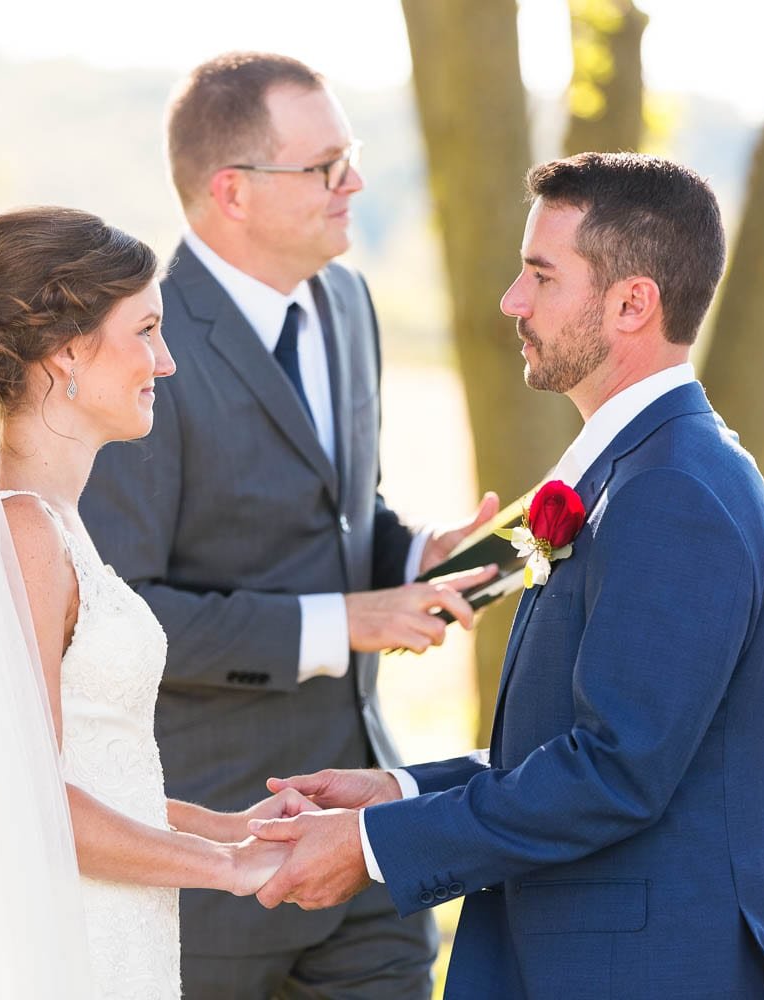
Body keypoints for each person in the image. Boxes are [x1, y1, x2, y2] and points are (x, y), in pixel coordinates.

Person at [250, 153, 764, 999]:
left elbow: (613, 773)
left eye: (540, 275)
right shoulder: (633, 472)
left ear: (632, 301)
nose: (511, 301)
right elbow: (577, 746)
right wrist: (398, 788)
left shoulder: (671, 492)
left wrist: (374, 846)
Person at [79, 53, 496, 997]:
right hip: (214, 845)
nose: (353, 182)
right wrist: (344, 622)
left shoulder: (347, 302)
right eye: (326, 165)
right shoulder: (141, 341)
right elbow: (125, 615)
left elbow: (344, 513)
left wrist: (414, 552)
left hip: (369, 847)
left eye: (347, 156)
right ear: (232, 190)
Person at [0, 206, 318, 999]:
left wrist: (231, 826)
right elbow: (25, 799)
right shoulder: (23, 531)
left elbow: (95, 774)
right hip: (72, 944)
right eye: (146, 331)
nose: (165, 363)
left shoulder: (56, 524)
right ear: (68, 352)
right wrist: (230, 868)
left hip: (119, 928)